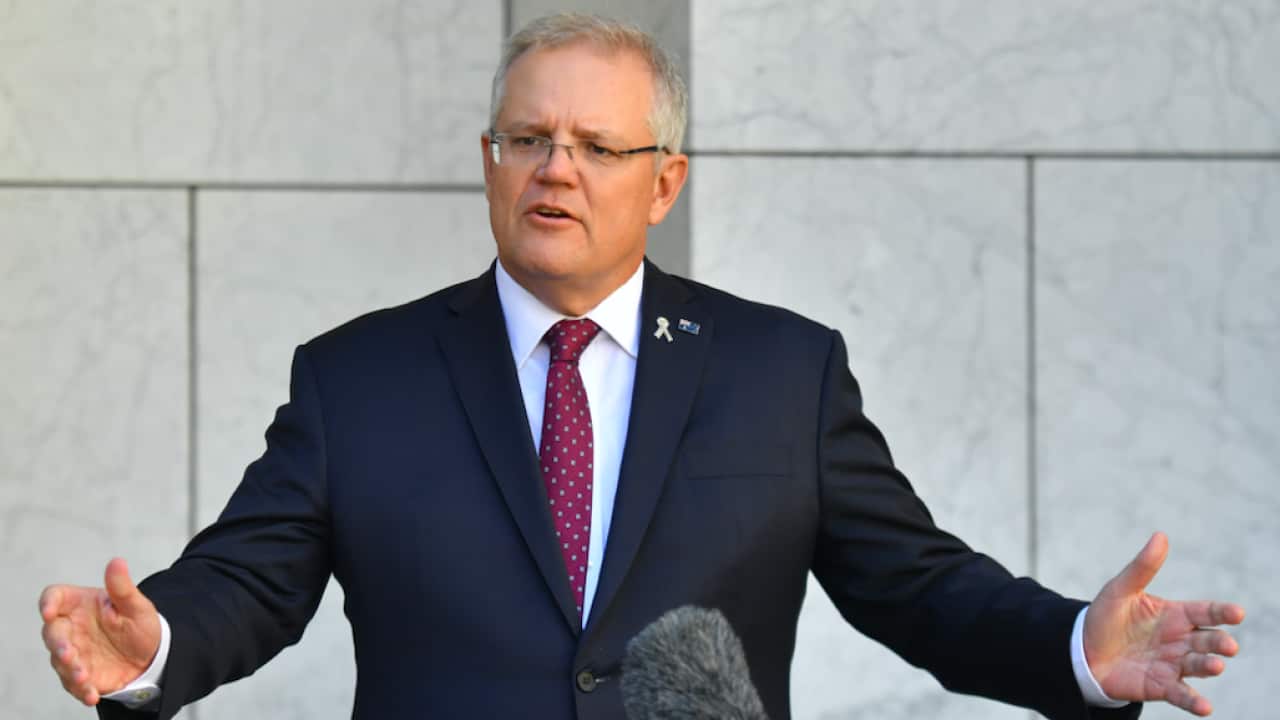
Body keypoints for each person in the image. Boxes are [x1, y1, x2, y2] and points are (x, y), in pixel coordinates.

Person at [38, 13, 1244, 720]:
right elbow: (245, 581)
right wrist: (149, 650)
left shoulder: (782, 373)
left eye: (593, 145)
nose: (552, 169)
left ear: (664, 180)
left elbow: (917, 586)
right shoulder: (360, 378)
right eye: (526, 139)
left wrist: (1075, 649)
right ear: (489, 159)